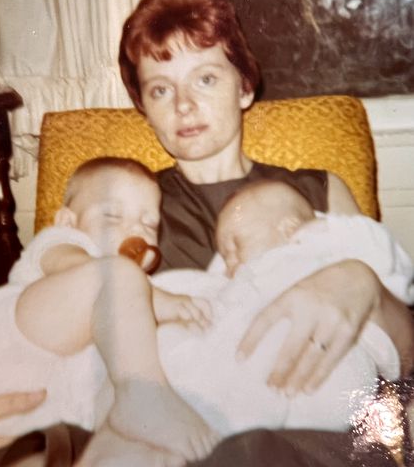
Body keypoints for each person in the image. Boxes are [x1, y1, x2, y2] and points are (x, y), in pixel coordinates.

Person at [0, 0, 414, 467]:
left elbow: (403, 363)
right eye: (161, 89)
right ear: (144, 108)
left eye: (205, 79)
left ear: (244, 86)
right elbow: (50, 334)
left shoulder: (315, 191)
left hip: (307, 438)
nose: (184, 106)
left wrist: (365, 286)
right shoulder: (126, 209)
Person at [0, 156, 217, 466]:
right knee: (116, 276)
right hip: (14, 338)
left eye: (149, 224)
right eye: (112, 216)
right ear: (68, 220)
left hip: (34, 421)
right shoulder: (63, 242)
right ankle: (146, 396)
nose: (135, 230)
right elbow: (84, 268)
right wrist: (160, 299)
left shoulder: (131, 299)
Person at [154, 179, 413, 436]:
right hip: (255, 369)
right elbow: (213, 292)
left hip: (330, 368)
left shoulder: (319, 240)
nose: (229, 263)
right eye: (224, 256)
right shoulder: (153, 196)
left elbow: (381, 256)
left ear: (289, 228)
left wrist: (357, 272)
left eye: (235, 246)